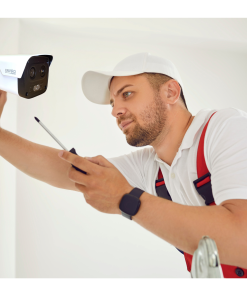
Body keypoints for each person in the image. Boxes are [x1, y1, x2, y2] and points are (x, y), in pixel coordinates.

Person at [0, 53, 247, 278]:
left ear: (170, 92)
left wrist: (128, 199)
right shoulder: (151, 166)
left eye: (127, 94)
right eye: (112, 103)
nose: (115, 111)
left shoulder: (226, 127)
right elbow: (68, 172)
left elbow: (241, 238)